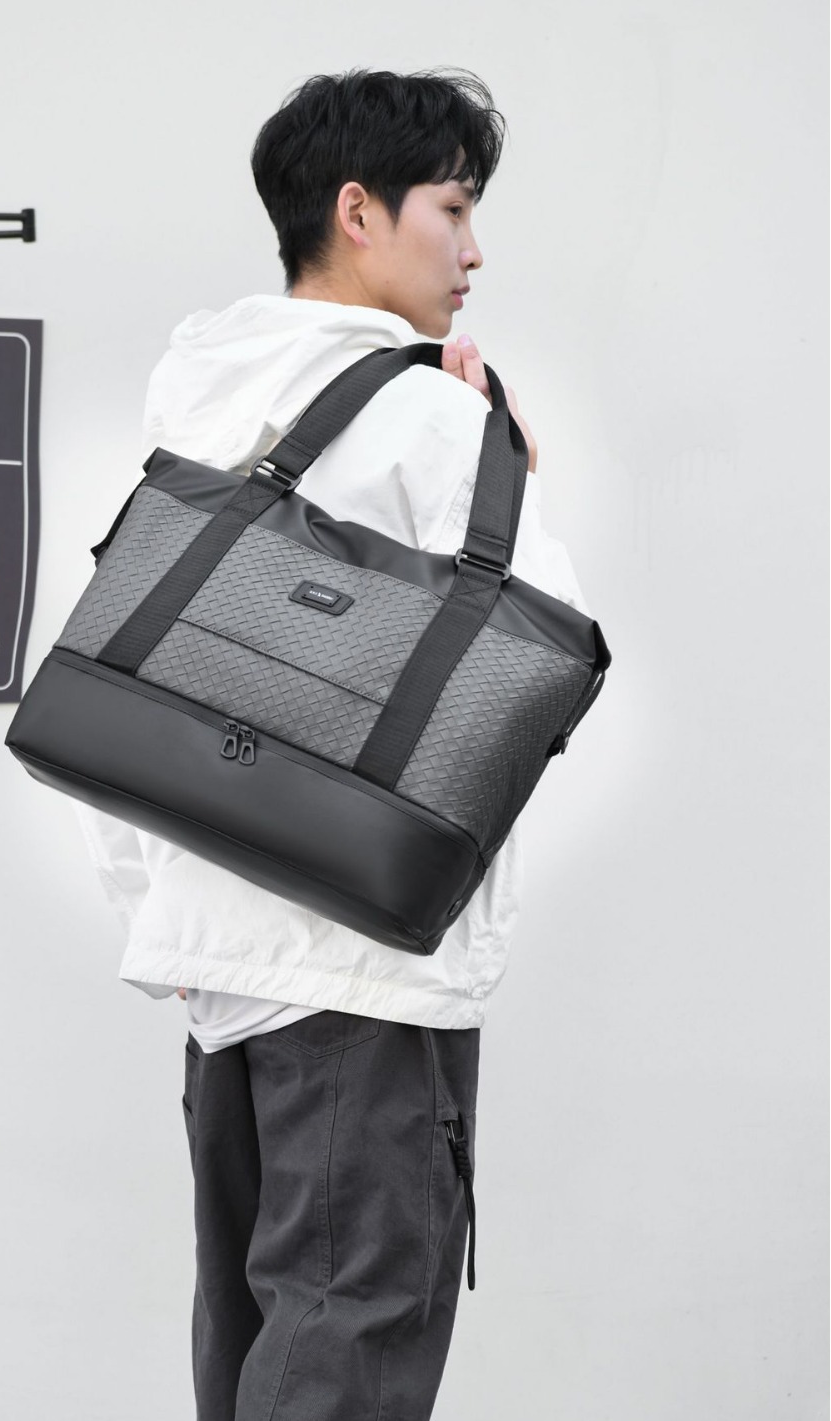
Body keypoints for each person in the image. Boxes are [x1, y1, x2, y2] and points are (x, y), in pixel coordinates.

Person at [74, 66, 593, 1419]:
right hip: (366, 969)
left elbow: (120, 672)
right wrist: (516, 470)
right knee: (355, 1333)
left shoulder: (198, 401)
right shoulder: (437, 415)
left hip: (216, 971)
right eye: (452, 208)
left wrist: (150, 913)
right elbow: (537, 678)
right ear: (358, 212)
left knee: (255, 1328)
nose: (473, 250)